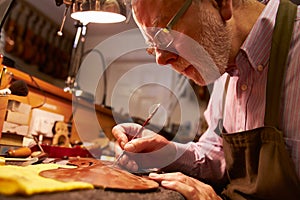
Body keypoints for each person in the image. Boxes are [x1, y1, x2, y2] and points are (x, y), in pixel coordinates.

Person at [112, 0, 300, 199]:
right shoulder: (223, 60)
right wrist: (166, 153)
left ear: (220, 3)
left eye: (164, 34)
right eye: (153, 45)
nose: (161, 60)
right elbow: (217, 155)